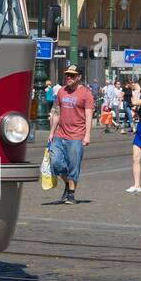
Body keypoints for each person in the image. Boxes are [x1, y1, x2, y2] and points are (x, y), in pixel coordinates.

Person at [47, 64, 93, 204]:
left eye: (72, 75)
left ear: (79, 77)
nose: (69, 77)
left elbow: (89, 115)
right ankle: (68, 183)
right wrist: (51, 132)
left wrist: (87, 135)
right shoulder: (61, 91)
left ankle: (71, 194)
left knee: (74, 165)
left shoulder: (86, 93)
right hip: (60, 134)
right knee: (55, 163)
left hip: (76, 135)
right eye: (67, 74)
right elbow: (57, 112)